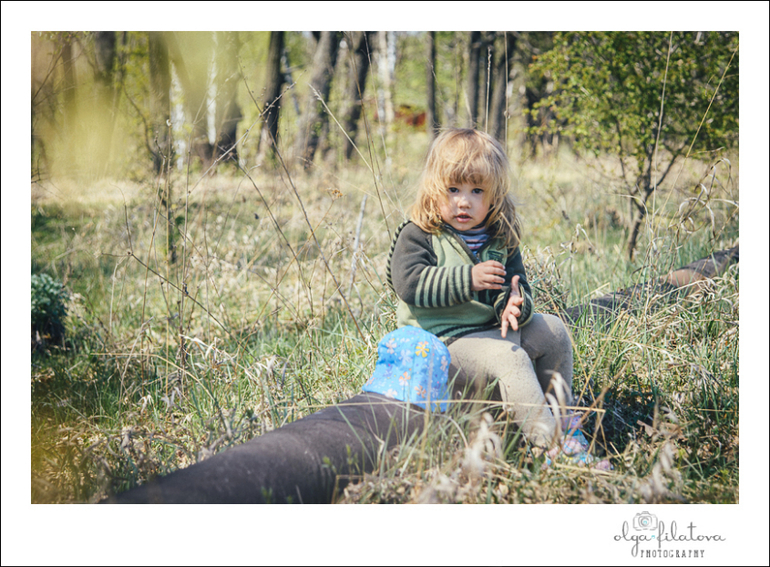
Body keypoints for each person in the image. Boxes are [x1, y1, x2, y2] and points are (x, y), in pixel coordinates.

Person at [387, 128, 607, 468]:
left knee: (554, 330)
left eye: (477, 190)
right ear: (434, 188)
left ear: (494, 196)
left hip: (490, 333)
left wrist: (513, 305)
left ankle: (565, 424)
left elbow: (518, 286)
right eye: (453, 189)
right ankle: (550, 447)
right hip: (441, 342)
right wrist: (469, 279)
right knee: (509, 357)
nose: (464, 201)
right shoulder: (419, 234)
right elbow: (409, 284)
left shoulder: (499, 236)